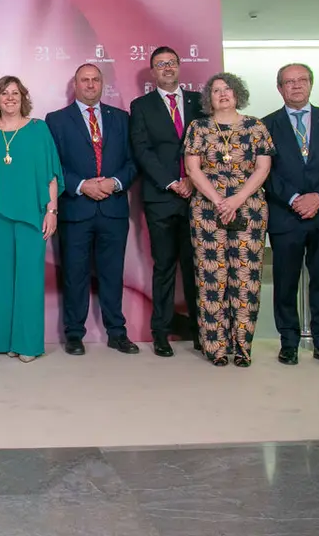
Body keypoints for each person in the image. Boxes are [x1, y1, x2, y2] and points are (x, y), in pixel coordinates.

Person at [263, 63, 319, 367]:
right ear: (280, 88)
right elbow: (266, 172)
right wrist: (293, 198)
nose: (296, 86)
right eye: (289, 82)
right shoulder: (266, 125)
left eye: (302, 80)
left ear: (311, 84)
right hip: (285, 215)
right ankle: (288, 342)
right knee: (285, 282)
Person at [46, 64, 139, 355]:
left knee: (113, 273)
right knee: (75, 274)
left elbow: (134, 161)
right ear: (75, 84)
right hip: (76, 208)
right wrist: (80, 185)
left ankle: (117, 332)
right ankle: (74, 334)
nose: (90, 85)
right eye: (84, 80)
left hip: (113, 208)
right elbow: (53, 164)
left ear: (102, 84)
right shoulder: (56, 120)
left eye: (95, 80)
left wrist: (115, 182)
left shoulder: (122, 118)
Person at [184, 73, 274, 367]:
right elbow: (193, 170)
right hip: (207, 211)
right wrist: (219, 201)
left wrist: (236, 200)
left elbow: (262, 168)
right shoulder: (198, 127)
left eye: (228, 89)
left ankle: (243, 347)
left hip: (248, 209)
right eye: (216, 90)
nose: (222, 94)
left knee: (246, 279)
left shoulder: (256, 126)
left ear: (238, 94)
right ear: (208, 98)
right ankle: (216, 348)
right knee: (212, 278)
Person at [129, 46, 204, 356]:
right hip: (161, 198)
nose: (167, 68)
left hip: (198, 197)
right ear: (152, 71)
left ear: (179, 66)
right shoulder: (141, 105)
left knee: (197, 267)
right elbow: (142, 149)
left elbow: (210, 145)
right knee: (164, 267)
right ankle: (161, 331)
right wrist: (173, 182)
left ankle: (203, 332)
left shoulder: (200, 102)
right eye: (160, 64)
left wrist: (191, 180)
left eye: (171, 62)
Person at [0, 76, 62, 362]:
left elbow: (51, 173)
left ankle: (27, 344)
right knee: (0, 280)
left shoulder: (39, 130)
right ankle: (3, 341)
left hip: (32, 214)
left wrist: (51, 210)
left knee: (29, 279)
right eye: (5, 93)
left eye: (15, 93)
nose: (10, 98)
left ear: (23, 97)